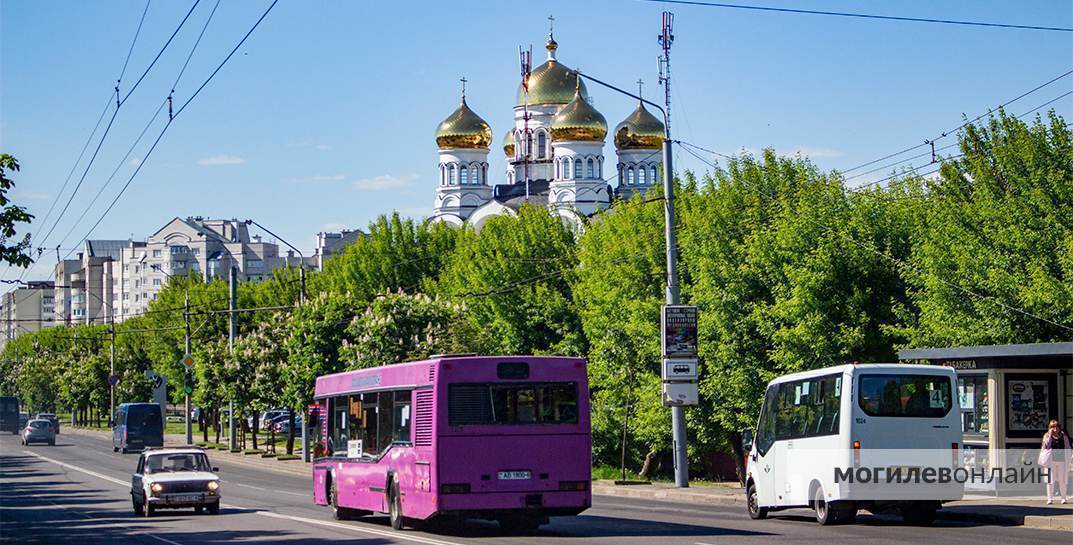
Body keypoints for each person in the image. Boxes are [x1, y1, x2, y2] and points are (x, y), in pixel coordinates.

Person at [1040, 419, 1071, 504]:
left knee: (1062, 480)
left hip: (1062, 461)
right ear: (1049, 428)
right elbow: (1045, 446)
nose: (1055, 429)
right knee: (1050, 481)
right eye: (1052, 427)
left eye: (1056, 426)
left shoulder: (1064, 436)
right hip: (1050, 461)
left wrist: (1069, 458)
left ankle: (1063, 498)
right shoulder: (1046, 436)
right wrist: (1050, 435)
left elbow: (1068, 447)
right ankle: (1050, 499)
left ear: (1059, 427)